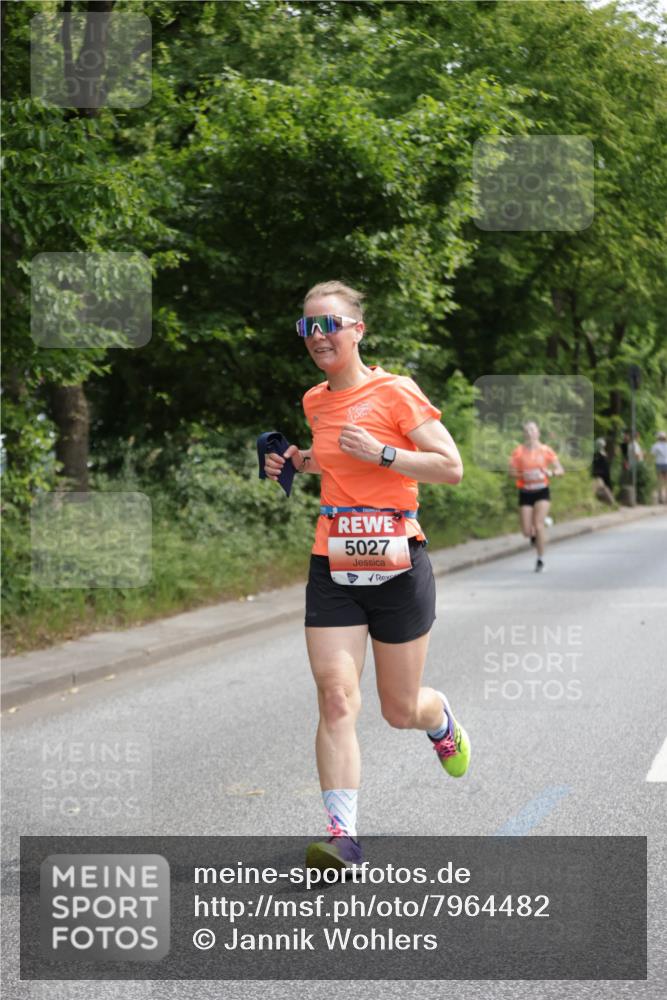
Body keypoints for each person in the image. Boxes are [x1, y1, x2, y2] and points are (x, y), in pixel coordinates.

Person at [263, 280, 470, 871]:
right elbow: (332, 459)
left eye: (329, 324)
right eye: (308, 327)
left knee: (399, 710)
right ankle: (342, 836)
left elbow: (450, 467)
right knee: (334, 697)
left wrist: (383, 454)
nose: (318, 336)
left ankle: (441, 720)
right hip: (333, 560)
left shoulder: (396, 392)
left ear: (357, 329)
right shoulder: (315, 400)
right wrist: (297, 460)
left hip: (398, 562)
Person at [509, 421, 564, 572]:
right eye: (527, 431)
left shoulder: (546, 450)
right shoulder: (518, 452)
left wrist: (550, 473)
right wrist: (522, 474)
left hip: (541, 490)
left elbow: (560, 470)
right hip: (525, 491)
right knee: (527, 531)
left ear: (538, 433)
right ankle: (541, 526)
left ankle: (540, 560)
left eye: (533, 430)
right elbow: (511, 473)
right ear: (524, 434)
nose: (530, 433)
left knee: (537, 525)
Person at [592, 437, 615, 505]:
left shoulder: (597, 454)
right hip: (603, 473)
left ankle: (607, 500)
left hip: (600, 473)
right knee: (605, 486)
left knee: (605, 486)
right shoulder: (599, 454)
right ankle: (608, 501)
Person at [650, 431, 667, 504]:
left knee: (659, 481)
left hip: (659, 463)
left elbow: (652, 454)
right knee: (666, 481)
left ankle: (660, 498)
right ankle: (666, 497)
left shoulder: (656, 445)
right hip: (666, 463)